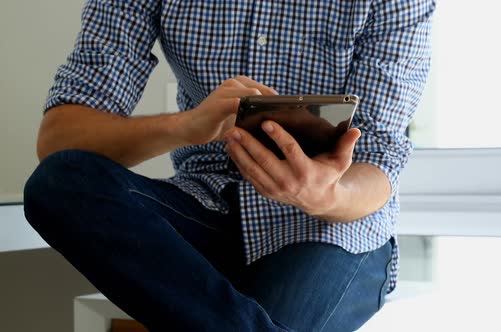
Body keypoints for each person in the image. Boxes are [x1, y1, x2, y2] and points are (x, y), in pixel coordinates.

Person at [23, 0, 435, 331]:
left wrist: (325, 194)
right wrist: (185, 126)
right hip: (204, 206)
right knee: (59, 183)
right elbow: (60, 141)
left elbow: (379, 156)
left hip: (333, 226)